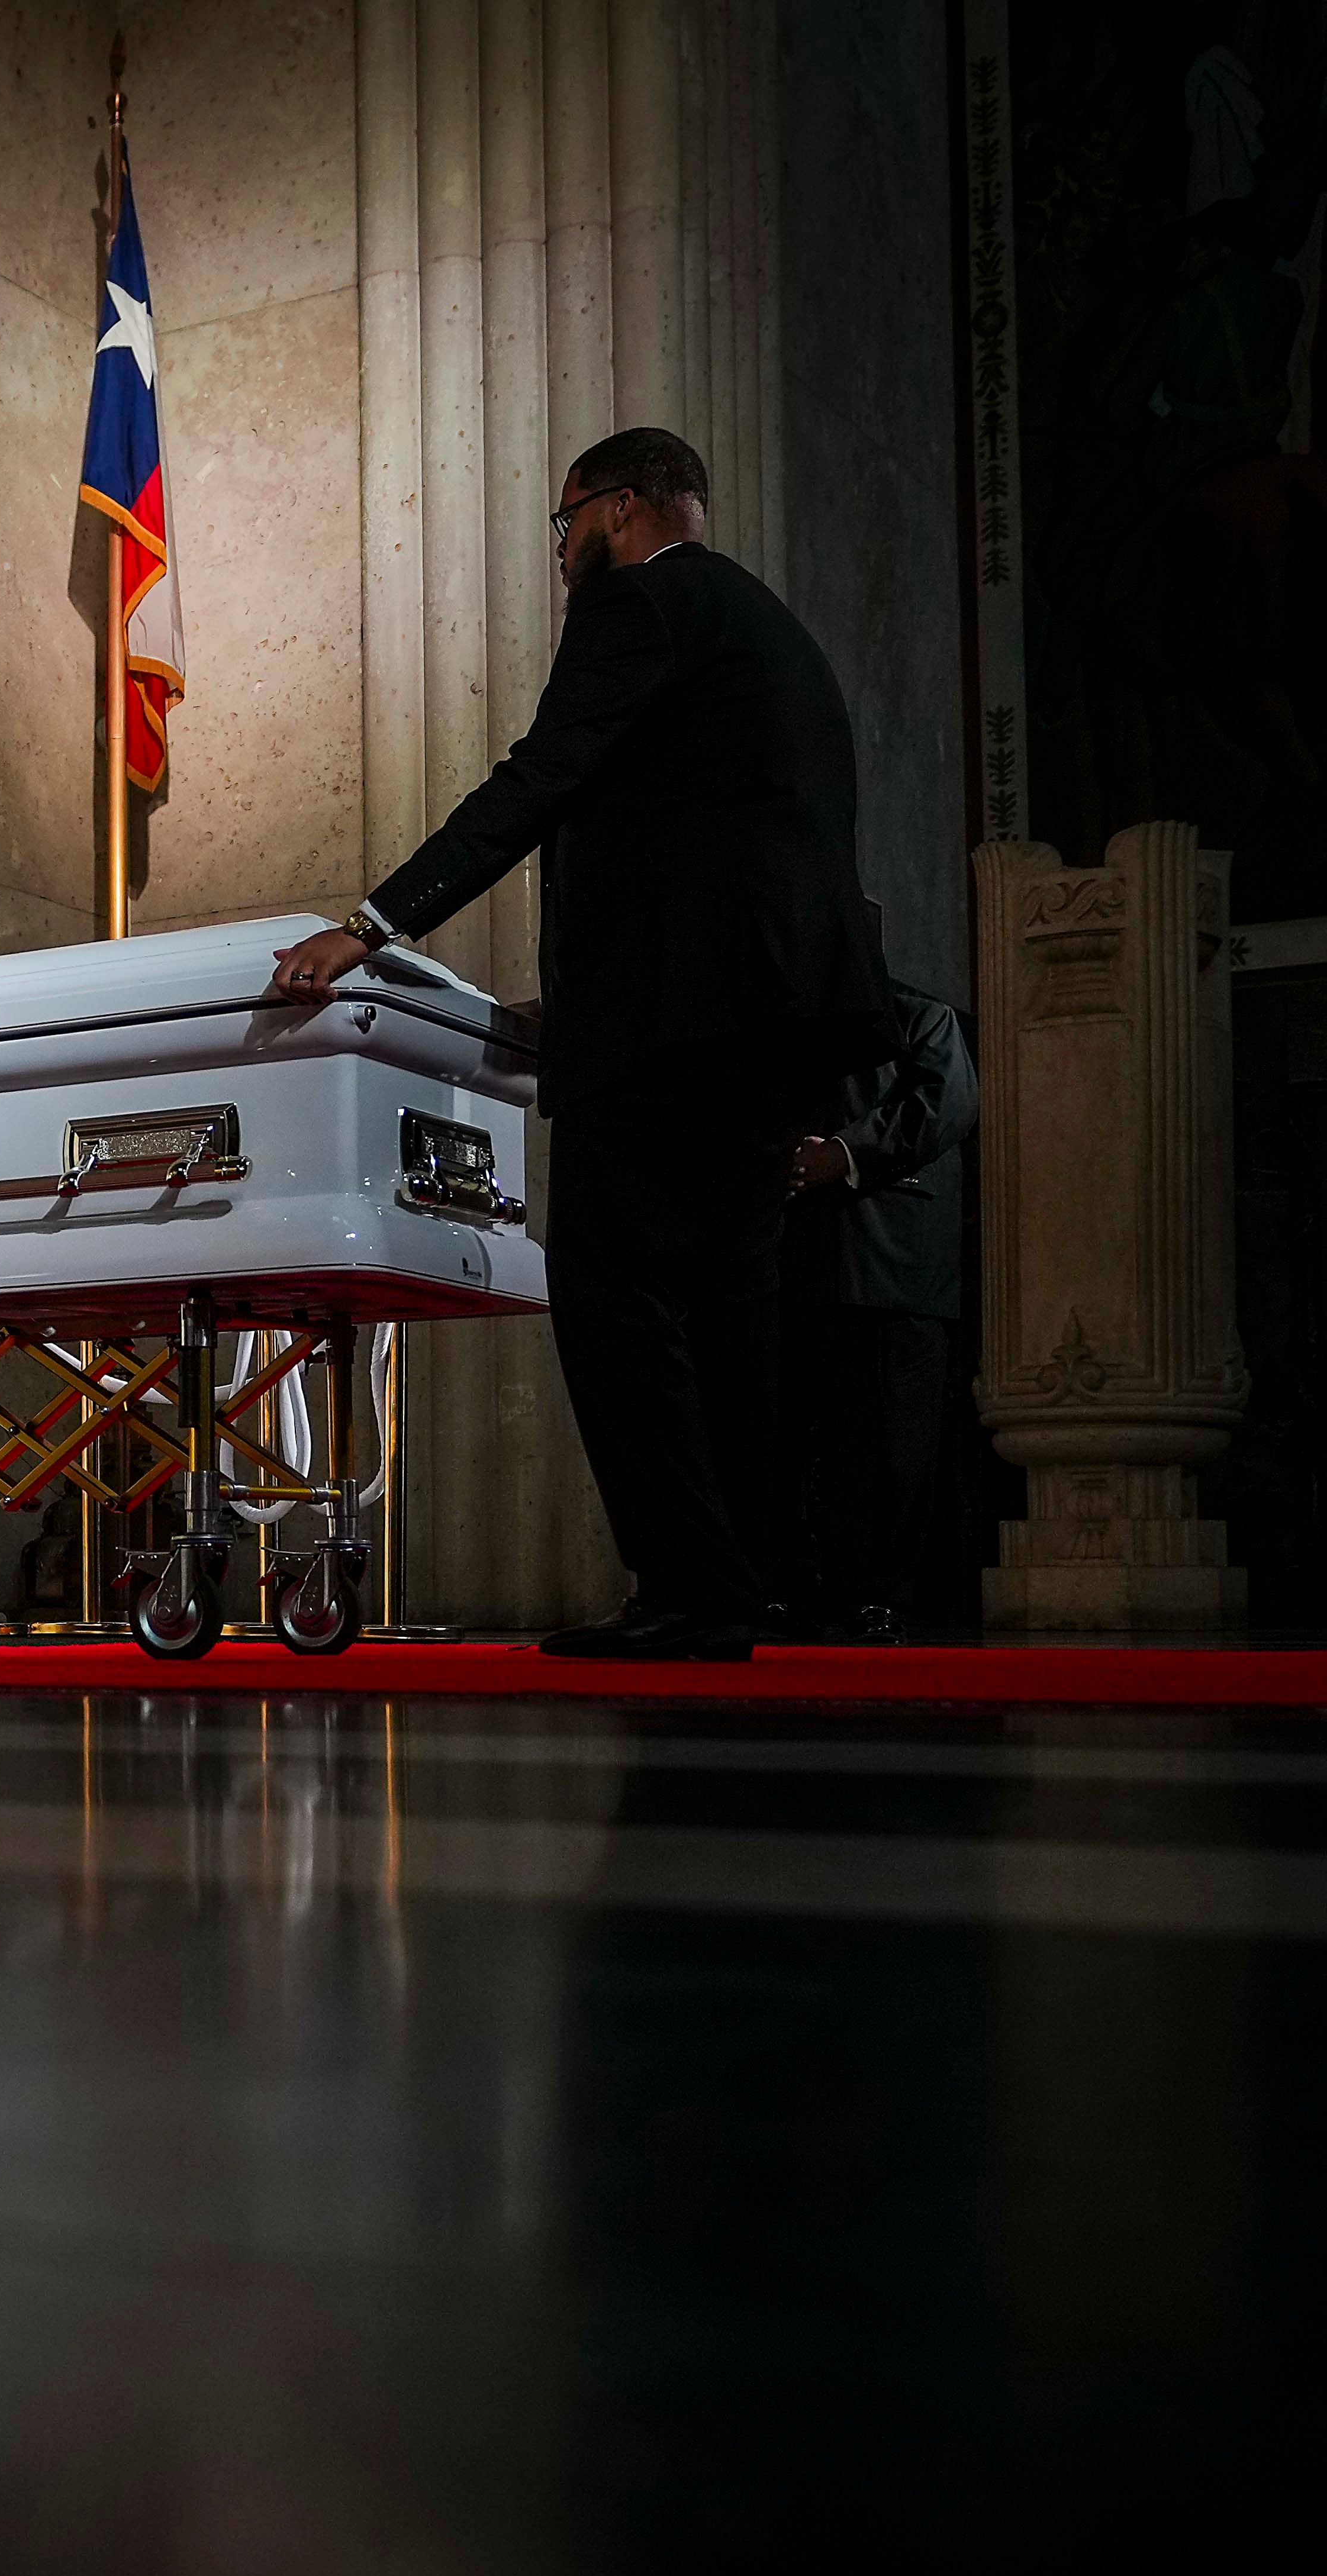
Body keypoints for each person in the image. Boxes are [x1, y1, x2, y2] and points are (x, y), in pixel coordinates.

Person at [269, 425, 890, 1659]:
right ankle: (741, 1585)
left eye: (564, 525)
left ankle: (686, 1586)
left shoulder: (638, 603)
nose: (562, 555)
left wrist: (372, 924)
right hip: (770, 1020)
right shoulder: (767, 626)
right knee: (730, 1310)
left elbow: (541, 778)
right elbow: (710, 837)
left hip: (675, 1030)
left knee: (608, 1290)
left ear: (616, 509)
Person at [774, 977, 975, 1645]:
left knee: (890, 1448)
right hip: (789, 1265)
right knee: (780, 1445)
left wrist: (845, 1154)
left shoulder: (921, 1016)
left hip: (892, 1265)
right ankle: (789, 1592)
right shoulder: (784, 1017)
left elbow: (946, 1102)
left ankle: (876, 1600)